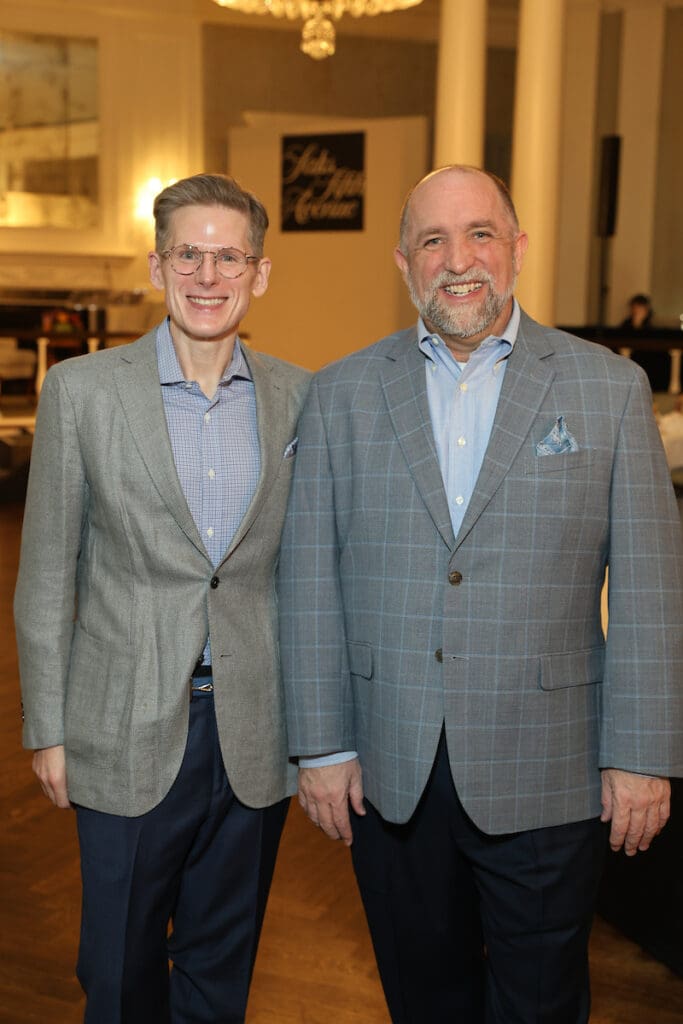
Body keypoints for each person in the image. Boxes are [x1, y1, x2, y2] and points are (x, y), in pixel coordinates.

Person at [278, 165, 683, 1023]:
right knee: (422, 1000)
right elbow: (308, 578)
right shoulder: (339, 393)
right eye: (432, 239)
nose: (457, 260)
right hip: (388, 771)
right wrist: (318, 746)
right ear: (402, 262)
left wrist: (642, 754)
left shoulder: (606, 389)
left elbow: (650, 586)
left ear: (518, 249)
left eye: (479, 234)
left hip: (552, 769)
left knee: (540, 1003)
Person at [14, 173, 310, 1024]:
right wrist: (50, 729)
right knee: (116, 969)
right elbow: (45, 579)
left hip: (255, 731)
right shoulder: (83, 392)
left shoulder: (300, 397)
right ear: (157, 265)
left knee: (223, 965)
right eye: (188, 253)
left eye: (228, 256)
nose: (207, 275)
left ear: (259, 273)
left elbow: (303, 575)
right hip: (121, 726)